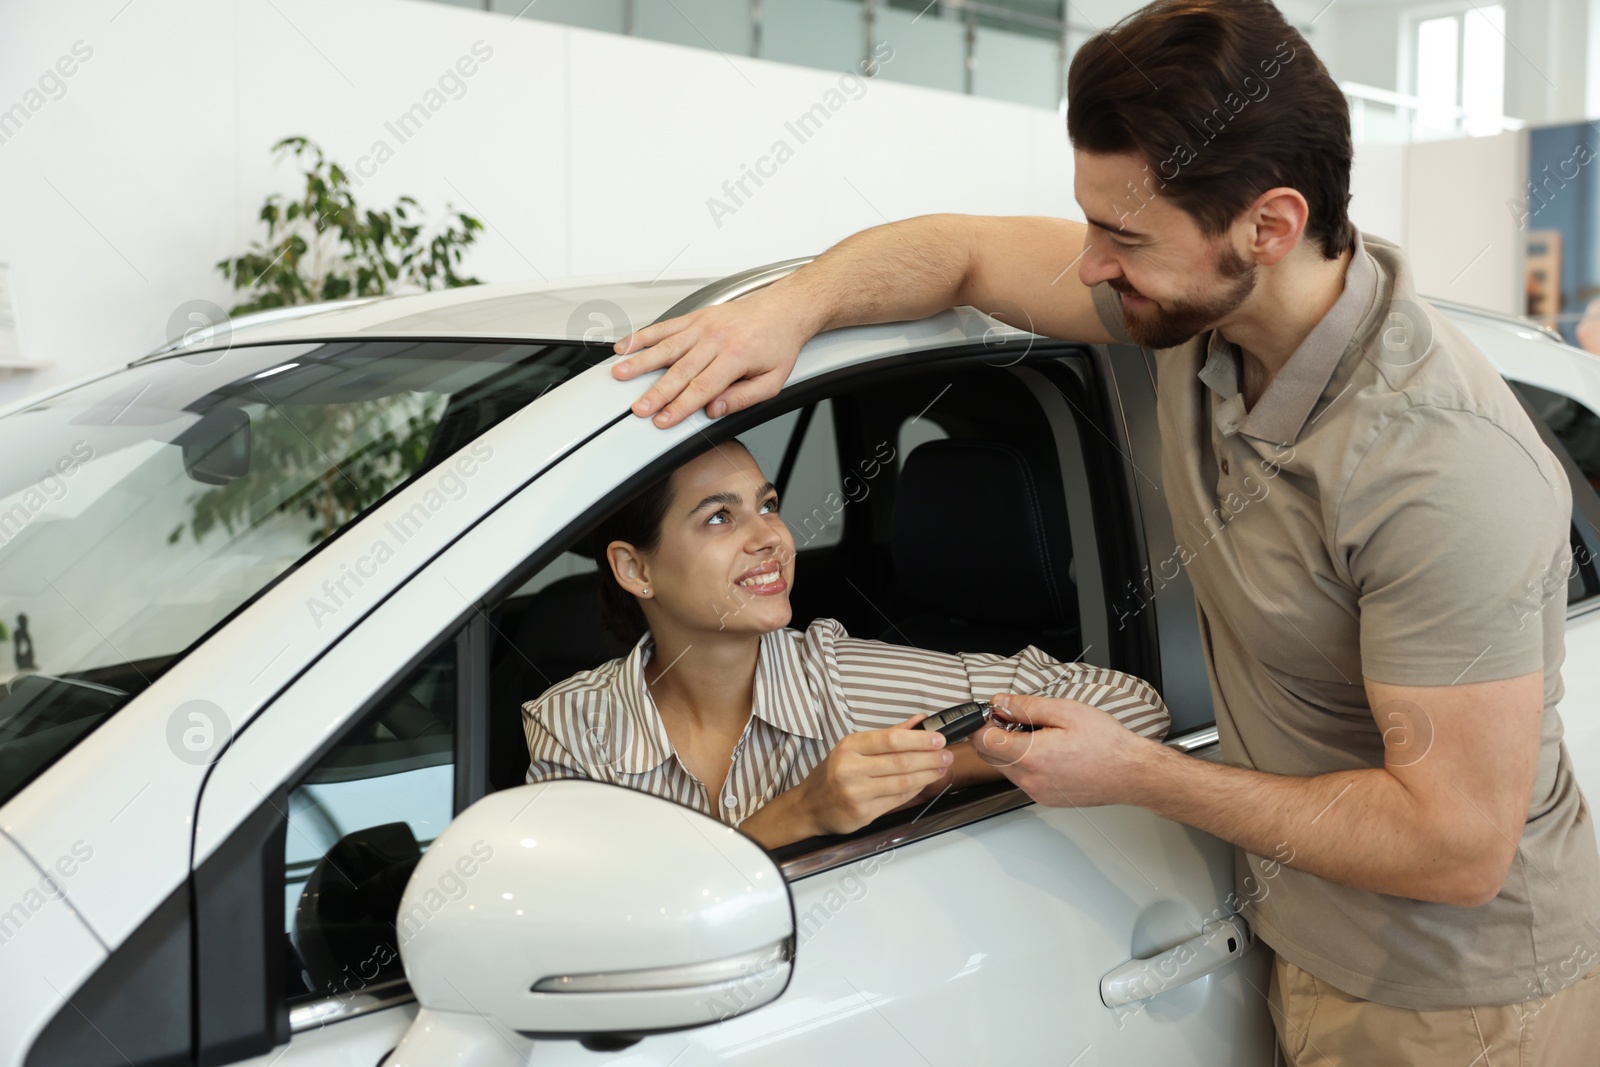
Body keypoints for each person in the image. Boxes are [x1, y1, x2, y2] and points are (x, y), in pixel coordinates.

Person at [600, 1, 1600, 1062]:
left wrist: (1137, 772)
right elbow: (966, 252)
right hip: (1304, 935)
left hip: (1457, 1003)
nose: (1085, 267)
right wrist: (791, 308)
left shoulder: (1442, 466)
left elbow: (1454, 846)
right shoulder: (1197, 308)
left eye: (1121, 236)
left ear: (1266, 226)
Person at [520, 438, 1171, 850]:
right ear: (635, 569)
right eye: (720, 516)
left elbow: (1132, 705)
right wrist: (804, 810)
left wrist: (938, 770)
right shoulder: (574, 726)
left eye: (768, 504)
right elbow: (597, 936)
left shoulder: (833, 674)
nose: (771, 536)